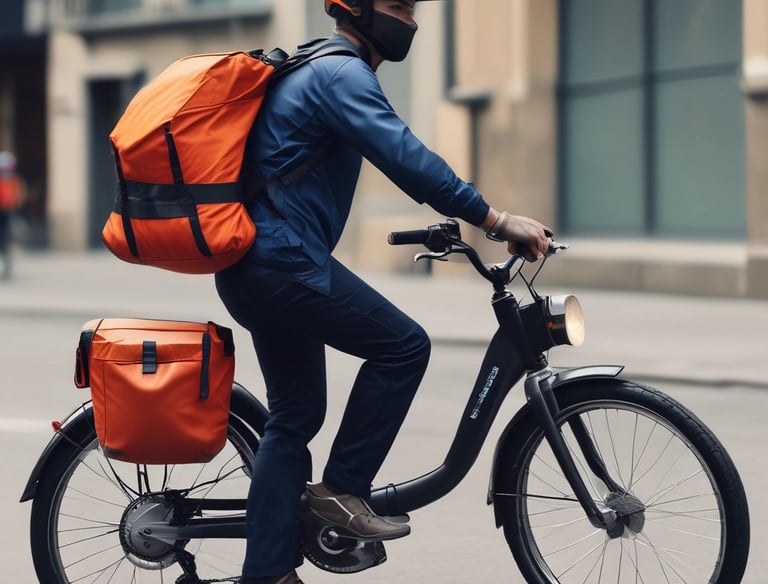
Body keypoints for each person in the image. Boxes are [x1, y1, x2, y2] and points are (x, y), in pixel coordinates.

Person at [215, 1, 552, 582]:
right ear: (355, 10)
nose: (412, 22)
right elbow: (407, 159)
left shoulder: (312, 67)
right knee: (403, 345)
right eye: (398, 7)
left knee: (294, 416)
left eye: (414, 10)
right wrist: (496, 220)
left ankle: (267, 572)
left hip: (254, 263)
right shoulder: (339, 73)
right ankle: (343, 490)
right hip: (281, 261)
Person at [0, 151, 24, 280]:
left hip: (8, 212)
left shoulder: (14, 180)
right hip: (5, 212)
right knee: (4, 240)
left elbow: (17, 197)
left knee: (6, 240)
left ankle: (7, 265)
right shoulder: (12, 180)